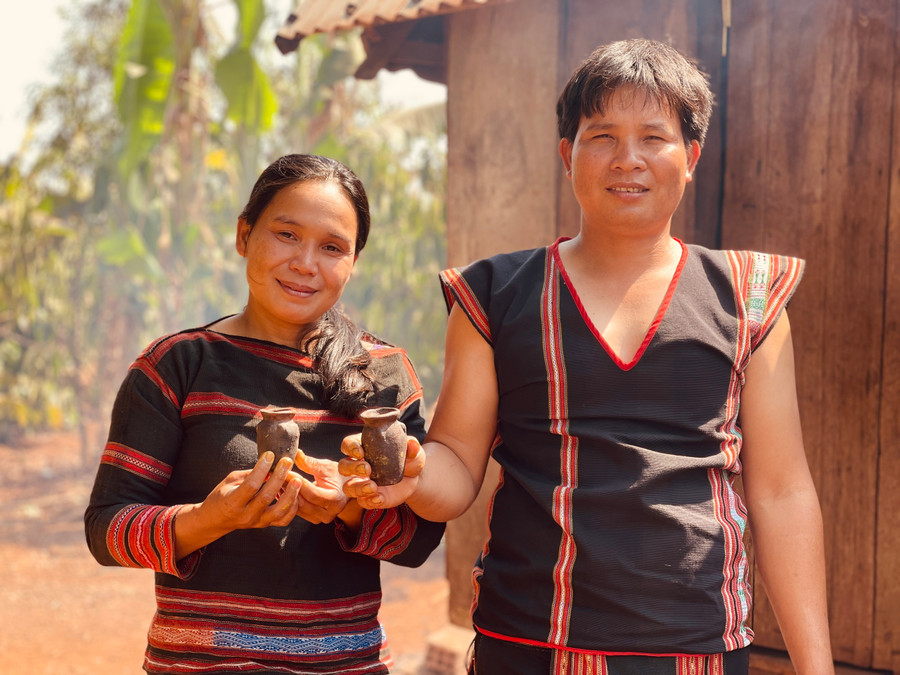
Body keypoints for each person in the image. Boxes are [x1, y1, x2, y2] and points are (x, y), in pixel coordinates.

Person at [341, 39, 834, 674]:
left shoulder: (747, 299)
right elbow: (457, 463)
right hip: (529, 642)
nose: (628, 159)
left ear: (691, 158)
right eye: (601, 136)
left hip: (696, 646)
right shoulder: (494, 296)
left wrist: (815, 668)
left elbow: (782, 492)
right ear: (568, 156)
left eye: (654, 137)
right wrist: (412, 477)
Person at [84, 153, 444, 674]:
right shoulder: (177, 366)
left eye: (332, 248)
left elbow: (418, 542)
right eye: (287, 235)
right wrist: (209, 519)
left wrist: (349, 506)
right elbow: (106, 530)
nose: (305, 263)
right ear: (244, 236)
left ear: (353, 262)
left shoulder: (384, 374)